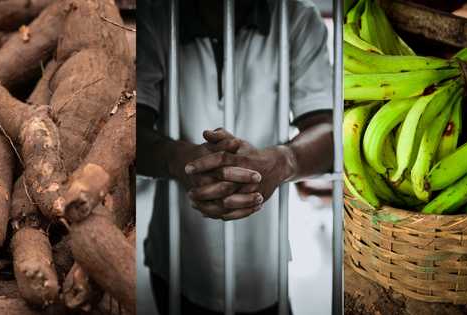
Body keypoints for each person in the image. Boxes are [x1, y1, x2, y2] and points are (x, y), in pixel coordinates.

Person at [137, 0, 333, 314]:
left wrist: (283, 161)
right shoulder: (155, 15)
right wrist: (182, 159)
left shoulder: (297, 18)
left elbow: (328, 128)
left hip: (264, 264)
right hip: (175, 258)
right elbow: (126, 127)